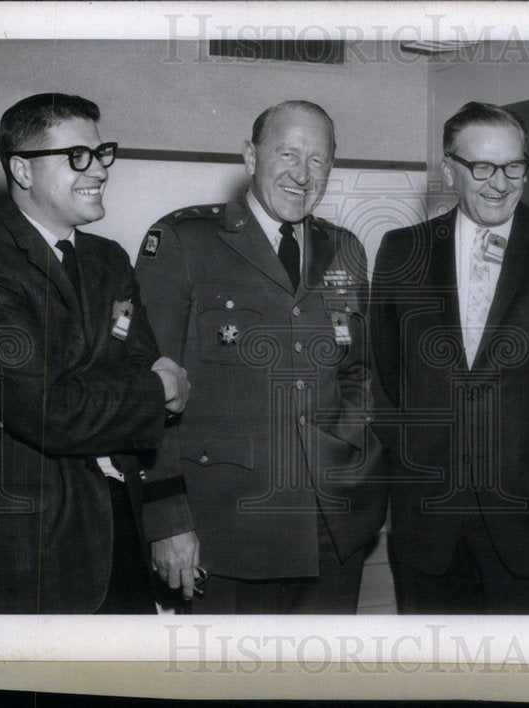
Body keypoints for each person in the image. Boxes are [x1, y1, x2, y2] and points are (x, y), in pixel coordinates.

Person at [0, 93, 189, 613]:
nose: (99, 169)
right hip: (30, 552)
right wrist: (156, 389)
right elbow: (51, 412)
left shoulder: (108, 258)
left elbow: (111, 378)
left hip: (121, 532)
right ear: (22, 170)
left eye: (101, 152)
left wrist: (82, 390)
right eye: (77, 156)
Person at [134, 100, 387, 613]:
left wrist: (356, 463)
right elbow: (145, 389)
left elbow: (360, 372)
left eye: (319, 159)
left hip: (333, 527)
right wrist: (167, 518)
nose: (302, 174)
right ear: (250, 157)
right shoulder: (185, 240)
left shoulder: (346, 249)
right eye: (288, 153)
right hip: (224, 529)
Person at [369, 102, 529, 614]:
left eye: (514, 167)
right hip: (428, 529)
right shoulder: (401, 250)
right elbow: (386, 380)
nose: (499, 184)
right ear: (448, 171)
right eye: (481, 168)